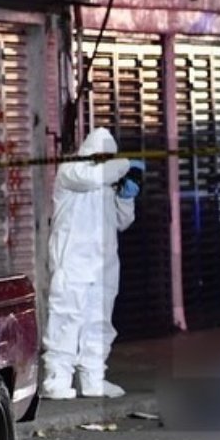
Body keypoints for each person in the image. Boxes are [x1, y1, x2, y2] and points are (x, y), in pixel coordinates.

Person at [40, 127, 145, 399]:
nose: (106, 161)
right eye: (104, 156)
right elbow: (95, 177)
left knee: (99, 323)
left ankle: (93, 379)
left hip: (103, 264)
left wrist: (126, 198)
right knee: (66, 318)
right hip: (73, 260)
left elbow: (122, 222)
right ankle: (56, 380)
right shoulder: (71, 172)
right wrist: (125, 165)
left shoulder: (107, 183)